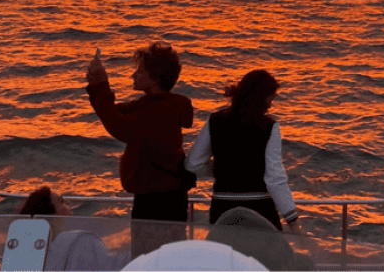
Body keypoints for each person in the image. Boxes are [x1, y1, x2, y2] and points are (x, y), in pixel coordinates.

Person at [85, 42, 194, 257]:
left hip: (161, 201)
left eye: (140, 71)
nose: (133, 75)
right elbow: (112, 113)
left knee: (152, 260)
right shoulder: (150, 103)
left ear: (155, 79)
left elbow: (118, 126)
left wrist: (101, 85)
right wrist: (96, 86)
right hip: (155, 196)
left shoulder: (161, 110)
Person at [185, 69, 299, 232]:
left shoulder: (214, 120)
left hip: (222, 209)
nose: (270, 105)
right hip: (258, 209)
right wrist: (292, 219)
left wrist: (220, 170)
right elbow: (274, 177)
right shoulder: (269, 127)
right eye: (270, 99)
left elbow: (193, 164)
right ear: (262, 97)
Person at [18, 185, 124, 270]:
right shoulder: (82, 242)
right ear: (52, 215)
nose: (68, 202)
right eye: (61, 201)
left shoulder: (26, 253)